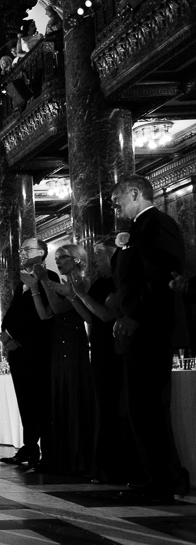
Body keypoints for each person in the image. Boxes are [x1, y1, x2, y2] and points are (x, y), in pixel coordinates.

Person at [112, 174, 189, 500]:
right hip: (139, 330)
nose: (116, 207)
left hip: (149, 329)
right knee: (141, 407)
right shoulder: (139, 229)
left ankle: (164, 481)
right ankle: (157, 477)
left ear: (134, 193)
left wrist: (134, 315)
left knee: (148, 408)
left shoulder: (156, 224)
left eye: (118, 200)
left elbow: (161, 279)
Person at [70, 240, 141, 484]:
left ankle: (117, 467)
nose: (96, 260)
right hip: (99, 348)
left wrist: (80, 294)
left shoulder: (117, 282)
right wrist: (74, 297)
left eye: (99, 255)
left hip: (113, 349)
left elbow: (106, 314)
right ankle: (103, 467)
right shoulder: (100, 283)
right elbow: (89, 316)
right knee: (104, 407)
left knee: (113, 406)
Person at [0, 238, 59, 470]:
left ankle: (47, 449)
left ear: (42, 253)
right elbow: (13, 313)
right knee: (25, 400)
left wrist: (18, 339)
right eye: (21, 249)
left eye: (28, 249)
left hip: (36, 350)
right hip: (18, 352)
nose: (22, 252)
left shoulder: (49, 278)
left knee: (39, 399)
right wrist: (4, 333)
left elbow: (41, 319)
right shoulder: (20, 284)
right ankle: (29, 446)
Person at [34, 244, 94, 475]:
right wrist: (37, 288)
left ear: (77, 260)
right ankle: (63, 457)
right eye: (56, 258)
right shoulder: (61, 284)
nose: (57, 262)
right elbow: (46, 313)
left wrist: (44, 281)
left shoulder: (80, 283)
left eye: (63, 257)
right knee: (61, 399)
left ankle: (79, 459)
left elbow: (59, 308)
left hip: (73, 345)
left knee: (74, 397)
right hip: (59, 346)